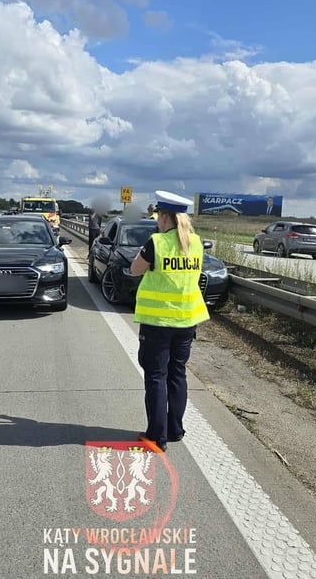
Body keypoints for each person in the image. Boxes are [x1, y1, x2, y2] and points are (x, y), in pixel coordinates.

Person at [129, 191, 209, 452]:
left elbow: (135, 269)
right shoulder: (195, 242)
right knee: (177, 374)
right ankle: (175, 430)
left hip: (159, 322)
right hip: (187, 321)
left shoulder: (157, 242)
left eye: (158, 217)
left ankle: (156, 436)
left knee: (156, 376)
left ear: (164, 217)